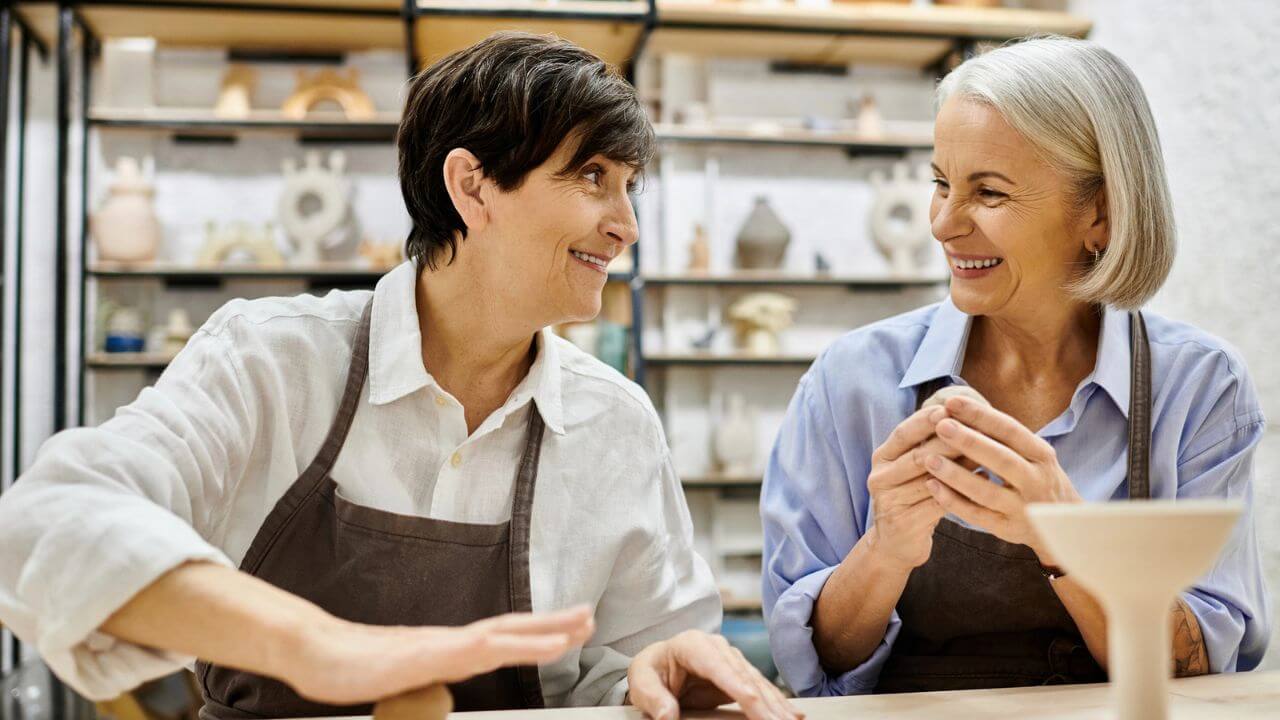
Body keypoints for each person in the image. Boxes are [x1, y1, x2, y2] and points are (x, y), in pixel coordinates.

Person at [0, 33, 799, 720]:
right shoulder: (271, 360)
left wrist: (651, 673)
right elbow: (52, 517)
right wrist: (313, 645)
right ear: (471, 186)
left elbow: (638, 655)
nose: (625, 224)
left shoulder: (616, 423)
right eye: (592, 175)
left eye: (631, 188)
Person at [761, 36, 1269, 697]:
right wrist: (885, 547)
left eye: (988, 193)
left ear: (1102, 214)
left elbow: (1201, 662)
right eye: (941, 183)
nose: (943, 223)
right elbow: (812, 662)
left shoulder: (1200, 387)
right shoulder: (849, 381)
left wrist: (1064, 536)